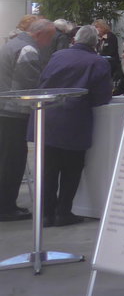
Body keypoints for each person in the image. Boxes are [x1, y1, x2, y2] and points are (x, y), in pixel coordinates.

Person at [29, 25, 112, 226]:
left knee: (48, 169)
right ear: (96, 43)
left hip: (46, 117)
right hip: (74, 121)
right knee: (71, 169)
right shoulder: (98, 62)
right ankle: (63, 212)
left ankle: (45, 214)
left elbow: (43, 80)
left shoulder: (57, 56)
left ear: (75, 39)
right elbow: (102, 97)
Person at [0, 18, 57, 220]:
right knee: (13, 160)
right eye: (50, 38)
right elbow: (29, 87)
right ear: (40, 34)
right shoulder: (28, 51)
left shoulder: (11, 44)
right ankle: (6, 207)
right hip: (14, 112)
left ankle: (5, 204)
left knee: (7, 158)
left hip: (4, 110)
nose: (50, 43)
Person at [93, 19, 121, 83]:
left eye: (97, 27)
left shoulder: (111, 37)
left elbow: (112, 52)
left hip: (111, 64)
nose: (95, 29)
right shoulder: (98, 38)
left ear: (103, 27)